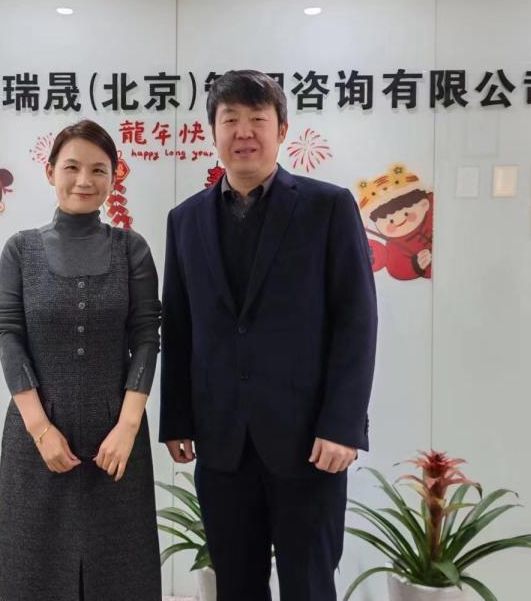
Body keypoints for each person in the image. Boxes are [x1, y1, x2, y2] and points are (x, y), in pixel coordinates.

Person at [159, 70, 378, 601]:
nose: (244, 132)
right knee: (236, 585)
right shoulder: (185, 220)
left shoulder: (327, 207)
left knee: (309, 585)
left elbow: (356, 320)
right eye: (230, 119)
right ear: (212, 131)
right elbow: (180, 325)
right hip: (223, 443)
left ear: (281, 130)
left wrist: (343, 425)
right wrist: (177, 418)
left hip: (310, 442)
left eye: (257, 119)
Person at [0, 120, 162, 601]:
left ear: (113, 177)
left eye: (98, 170)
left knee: (122, 575)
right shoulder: (20, 250)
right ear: (50, 172)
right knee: (34, 573)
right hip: (36, 438)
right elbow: (8, 336)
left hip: (117, 440)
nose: (84, 180)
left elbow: (146, 338)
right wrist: (41, 430)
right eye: (71, 167)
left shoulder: (132, 250)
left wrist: (127, 427)